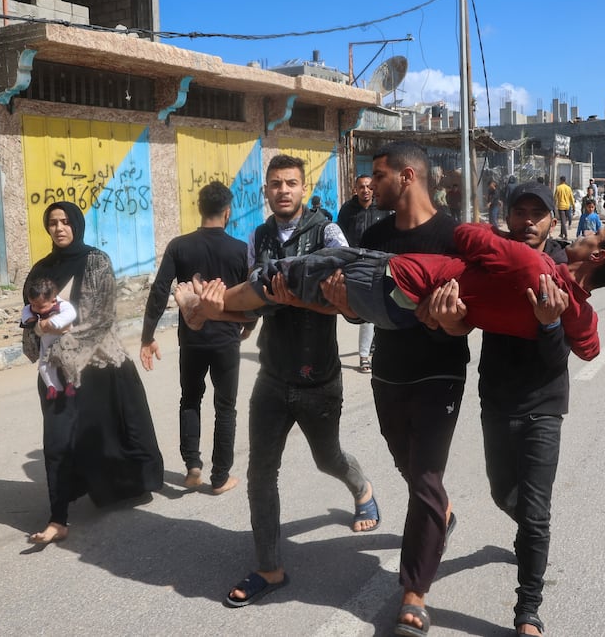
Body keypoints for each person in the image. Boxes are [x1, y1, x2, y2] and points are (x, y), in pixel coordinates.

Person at [430, 186, 605, 637]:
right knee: (500, 494)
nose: (527, 220)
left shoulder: (564, 281)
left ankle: (528, 609)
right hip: (496, 397)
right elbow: (467, 310)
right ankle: (530, 534)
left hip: (543, 407)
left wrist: (550, 323)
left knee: (535, 512)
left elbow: (572, 350)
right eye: (519, 211)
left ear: (552, 220)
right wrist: (450, 320)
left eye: (538, 213)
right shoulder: (502, 254)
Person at [223, 154, 379, 609]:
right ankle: (269, 566)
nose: (283, 190)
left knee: (326, 458)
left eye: (291, 183)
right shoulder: (259, 236)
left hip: (319, 377)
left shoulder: (328, 232)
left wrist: (301, 299)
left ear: (304, 187)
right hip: (273, 374)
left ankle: (361, 488)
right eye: (275, 184)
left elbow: (348, 302)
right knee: (259, 472)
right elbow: (254, 297)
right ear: (265, 191)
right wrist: (232, 316)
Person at [183, 207, 605, 347]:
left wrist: (500, 235)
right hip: (399, 311)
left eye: (595, 233)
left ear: (599, 254)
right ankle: (214, 308)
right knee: (306, 296)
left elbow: (465, 235)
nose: (585, 232)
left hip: (393, 279)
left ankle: (208, 307)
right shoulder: (570, 312)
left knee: (287, 276)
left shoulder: (533, 266)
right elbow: (589, 347)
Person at [346, 141, 471, 637]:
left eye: (378, 175)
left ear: (408, 177)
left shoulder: (454, 235)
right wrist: (345, 303)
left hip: (440, 372)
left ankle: (414, 593)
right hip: (389, 371)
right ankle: (443, 510)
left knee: (423, 476)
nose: (369, 184)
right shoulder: (374, 234)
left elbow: (472, 314)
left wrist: (454, 318)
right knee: (407, 466)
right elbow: (361, 306)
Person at [22, 201, 164, 544]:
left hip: (99, 365)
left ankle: (118, 488)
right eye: (53, 222)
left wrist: (59, 338)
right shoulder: (41, 270)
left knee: (106, 435)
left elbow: (102, 317)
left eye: (66, 221)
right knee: (57, 442)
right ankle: (58, 518)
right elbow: (29, 314)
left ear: (77, 225)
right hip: (56, 372)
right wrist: (37, 334)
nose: (59, 228)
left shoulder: (97, 260)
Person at [139, 182, 248, 493]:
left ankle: (193, 467)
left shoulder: (179, 246)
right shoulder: (240, 250)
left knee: (190, 399)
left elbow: (160, 290)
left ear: (200, 210)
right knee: (225, 406)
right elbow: (250, 300)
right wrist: (249, 327)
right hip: (227, 338)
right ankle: (221, 477)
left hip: (192, 339)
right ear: (228, 212)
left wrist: (148, 336)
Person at [337, 174, 392, 373]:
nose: (366, 190)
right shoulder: (347, 211)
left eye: (369, 187)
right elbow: (339, 237)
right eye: (362, 187)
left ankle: (373, 346)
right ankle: (363, 356)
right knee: (368, 312)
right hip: (356, 265)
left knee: (382, 307)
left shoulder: (384, 209)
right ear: (355, 189)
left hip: (381, 264)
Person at [21, 277, 77, 400]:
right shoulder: (33, 307)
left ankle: (70, 383)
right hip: (46, 340)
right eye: (34, 305)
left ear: (53, 301)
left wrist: (53, 322)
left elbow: (71, 314)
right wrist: (29, 318)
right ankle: (52, 386)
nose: (36, 309)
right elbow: (26, 312)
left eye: (41, 306)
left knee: (68, 362)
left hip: (64, 340)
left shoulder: (62, 306)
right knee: (44, 365)